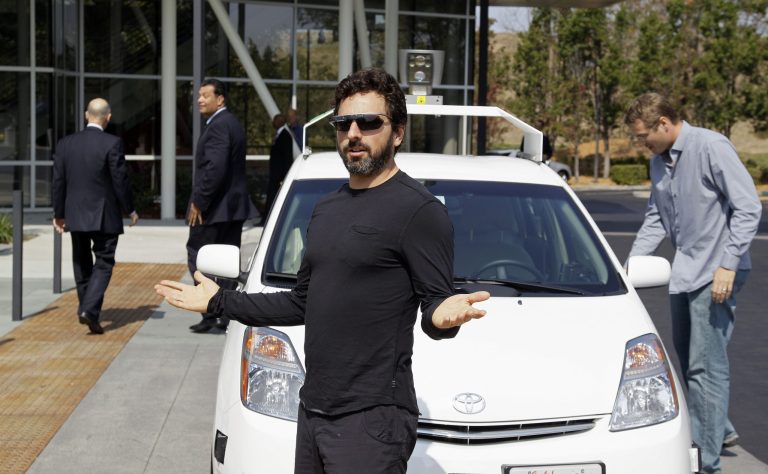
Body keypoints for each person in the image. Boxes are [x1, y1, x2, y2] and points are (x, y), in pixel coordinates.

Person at [156, 68, 490, 473]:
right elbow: (302, 303)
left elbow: (436, 307)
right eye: (343, 123)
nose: (353, 133)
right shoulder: (326, 208)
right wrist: (218, 301)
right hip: (312, 409)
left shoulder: (419, 212)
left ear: (397, 133)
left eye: (369, 123)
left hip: (372, 419)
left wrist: (443, 316)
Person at [625, 92, 761, 474]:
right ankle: (722, 429)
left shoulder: (710, 147)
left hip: (717, 273)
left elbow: (748, 207)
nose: (641, 144)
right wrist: (629, 268)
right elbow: (656, 218)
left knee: (706, 367)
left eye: (643, 136)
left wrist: (728, 264)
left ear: (664, 124)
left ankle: (706, 460)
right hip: (685, 272)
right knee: (688, 363)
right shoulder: (659, 163)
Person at [52, 98, 139, 335]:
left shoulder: (65, 144)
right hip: (105, 216)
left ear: (85, 115)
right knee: (104, 262)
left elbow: (58, 182)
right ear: (108, 117)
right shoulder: (112, 143)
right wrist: (130, 209)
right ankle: (89, 309)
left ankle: (88, 310)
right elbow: (120, 181)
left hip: (76, 215)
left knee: (81, 263)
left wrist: (58, 214)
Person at [186, 78, 258, 333]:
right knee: (227, 262)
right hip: (231, 208)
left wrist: (199, 202)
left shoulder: (218, 126)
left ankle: (209, 312)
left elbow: (214, 169)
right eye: (198, 95)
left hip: (214, 209)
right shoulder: (231, 123)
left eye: (205, 95)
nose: (200, 99)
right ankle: (224, 315)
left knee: (199, 257)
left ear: (220, 99)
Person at [263, 113, 299, 222]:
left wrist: (285, 175)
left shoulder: (285, 135)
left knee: (275, 197)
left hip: (279, 175)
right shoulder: (280, 134)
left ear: (280, 121)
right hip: (275, 174)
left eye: (275, 120)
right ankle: (266, 218)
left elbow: (287, 157)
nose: (273, 122)